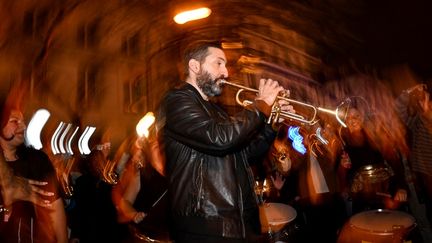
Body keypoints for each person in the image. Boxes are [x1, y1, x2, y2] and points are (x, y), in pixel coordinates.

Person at [157, 40, 294, 243]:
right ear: (195, 66)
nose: (226, 72)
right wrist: (261, 105)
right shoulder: (176, 101)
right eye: (218, 63)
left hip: (237, 223)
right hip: (204, 226)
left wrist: (272, 125)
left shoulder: (216, 111)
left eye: (225, 65)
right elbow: (219, 139)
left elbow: (247, 153)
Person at [0, 99, 68, 243]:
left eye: (23, 121)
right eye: (14, 121)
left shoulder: (38, 161)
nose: (23, 126)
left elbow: (55, 205)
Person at [338, 100, 408, 216]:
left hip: (387, 195)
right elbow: (342, 180)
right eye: (349, 117)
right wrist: (342, 167)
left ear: (362, 118)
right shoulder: (343, 145)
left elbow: (395, 161)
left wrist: (401, 186)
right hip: (362, 201)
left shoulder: (375, 137)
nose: (353, 120)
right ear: (346, 121)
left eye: (356, 116)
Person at [395, 83, 432, 224]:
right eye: (423, 101)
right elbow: (397, 107)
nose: (424, 104)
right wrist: (410, 90)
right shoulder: (417, 121)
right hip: (424, 182)